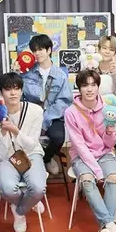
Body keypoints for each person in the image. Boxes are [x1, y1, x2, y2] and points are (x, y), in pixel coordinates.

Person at [64, 69, 116, 232]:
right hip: (82, 156)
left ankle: (105, 228)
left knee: (113, 178)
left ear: (98, 87)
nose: (89, 89)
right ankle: (112, 225)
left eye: (93, 85)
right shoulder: (71, 112)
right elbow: (79, 145)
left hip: (105, 153)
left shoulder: (108, 107)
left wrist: (110, 133)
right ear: (79, 88)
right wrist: (97, 172)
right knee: (87, 180)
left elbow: (111, 143)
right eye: (85, 85)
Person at [0, 72, 47, 232]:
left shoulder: (35, 111)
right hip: (7, 157)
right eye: (8, 89)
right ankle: (27, 202)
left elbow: (31, 144)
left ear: (21, 90)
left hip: (31, 154)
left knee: (38, 189)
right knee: (7, 189)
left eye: (16, 88)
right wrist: (3, 133)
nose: (13, 93)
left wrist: (15, 130)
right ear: (1, 93)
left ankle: (19, 211)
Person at [13, 34, 73, 175]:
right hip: (30, 114)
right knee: (19, 137)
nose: (37, 53)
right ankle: (26, 166)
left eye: (40, 49)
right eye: (34, 50)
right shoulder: (27, 73)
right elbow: (18, 95)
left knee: (58, 137)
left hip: (52, 115)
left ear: (49, 50)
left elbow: (64, 101)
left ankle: (46, 159)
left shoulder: (60, 75)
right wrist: (16, 74)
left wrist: (45, 119)